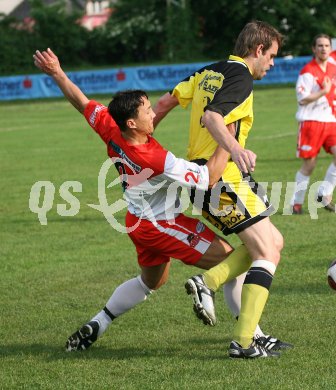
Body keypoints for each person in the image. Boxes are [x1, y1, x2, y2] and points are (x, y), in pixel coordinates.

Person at [33, 48, 284, 356]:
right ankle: (249, 335)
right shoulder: (155, 158)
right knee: (229, 260)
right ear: (132, 124)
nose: (154, 114)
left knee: (151, 283)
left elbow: (82, 102)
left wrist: (58, 73)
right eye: (147, 112)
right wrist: (228, 140)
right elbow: (207, 178)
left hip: (137, 222)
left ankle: (98, 322)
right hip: (163, 224)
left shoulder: (112, 130)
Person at [153, 21, 293, 358]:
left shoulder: (208, 72)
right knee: (267, 252)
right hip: (221, 179)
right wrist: (237, 148)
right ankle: (243, 340)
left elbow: (163, 104)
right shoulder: (241, 76)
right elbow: (213, 118)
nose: (272, 64)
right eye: (271, 56)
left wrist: (141, 144)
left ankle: (214, 288)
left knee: (273, 242)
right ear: (258, 49)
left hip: (208, 180)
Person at [290, 34, 336, 215]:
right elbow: (302, 99)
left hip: (330, 120)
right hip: (310, 122)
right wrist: (323, 91)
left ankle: (323, 194)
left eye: (326, 45)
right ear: (314, 49)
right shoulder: (308, 72)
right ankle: (296, 203)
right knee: (310, 165)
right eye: (320, 46)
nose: (323, 49)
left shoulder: (333, 67)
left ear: (330, 49)